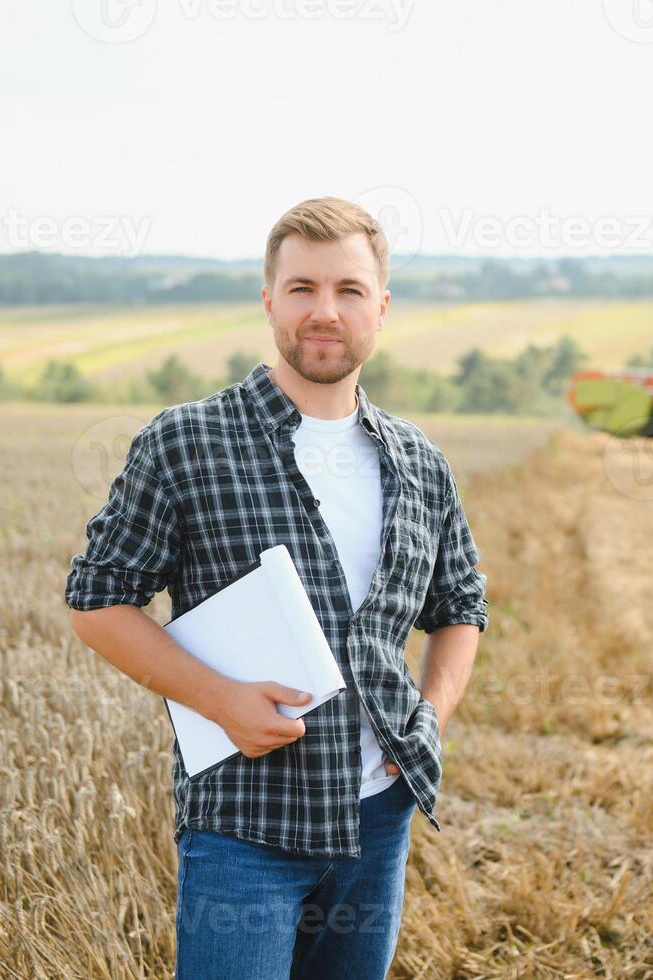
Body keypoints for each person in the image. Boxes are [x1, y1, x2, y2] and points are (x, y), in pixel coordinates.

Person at [65, 196, 488, 979]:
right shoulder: (186, 441)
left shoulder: (418, 461)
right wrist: (219, 700)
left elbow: (459, 604)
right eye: (301, 289)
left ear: (381, 307)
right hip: (243, 827)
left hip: (377, 824)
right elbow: (97, 600)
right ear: (268, 300)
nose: (324, 312)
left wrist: (428, 717)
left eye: (348, 290)